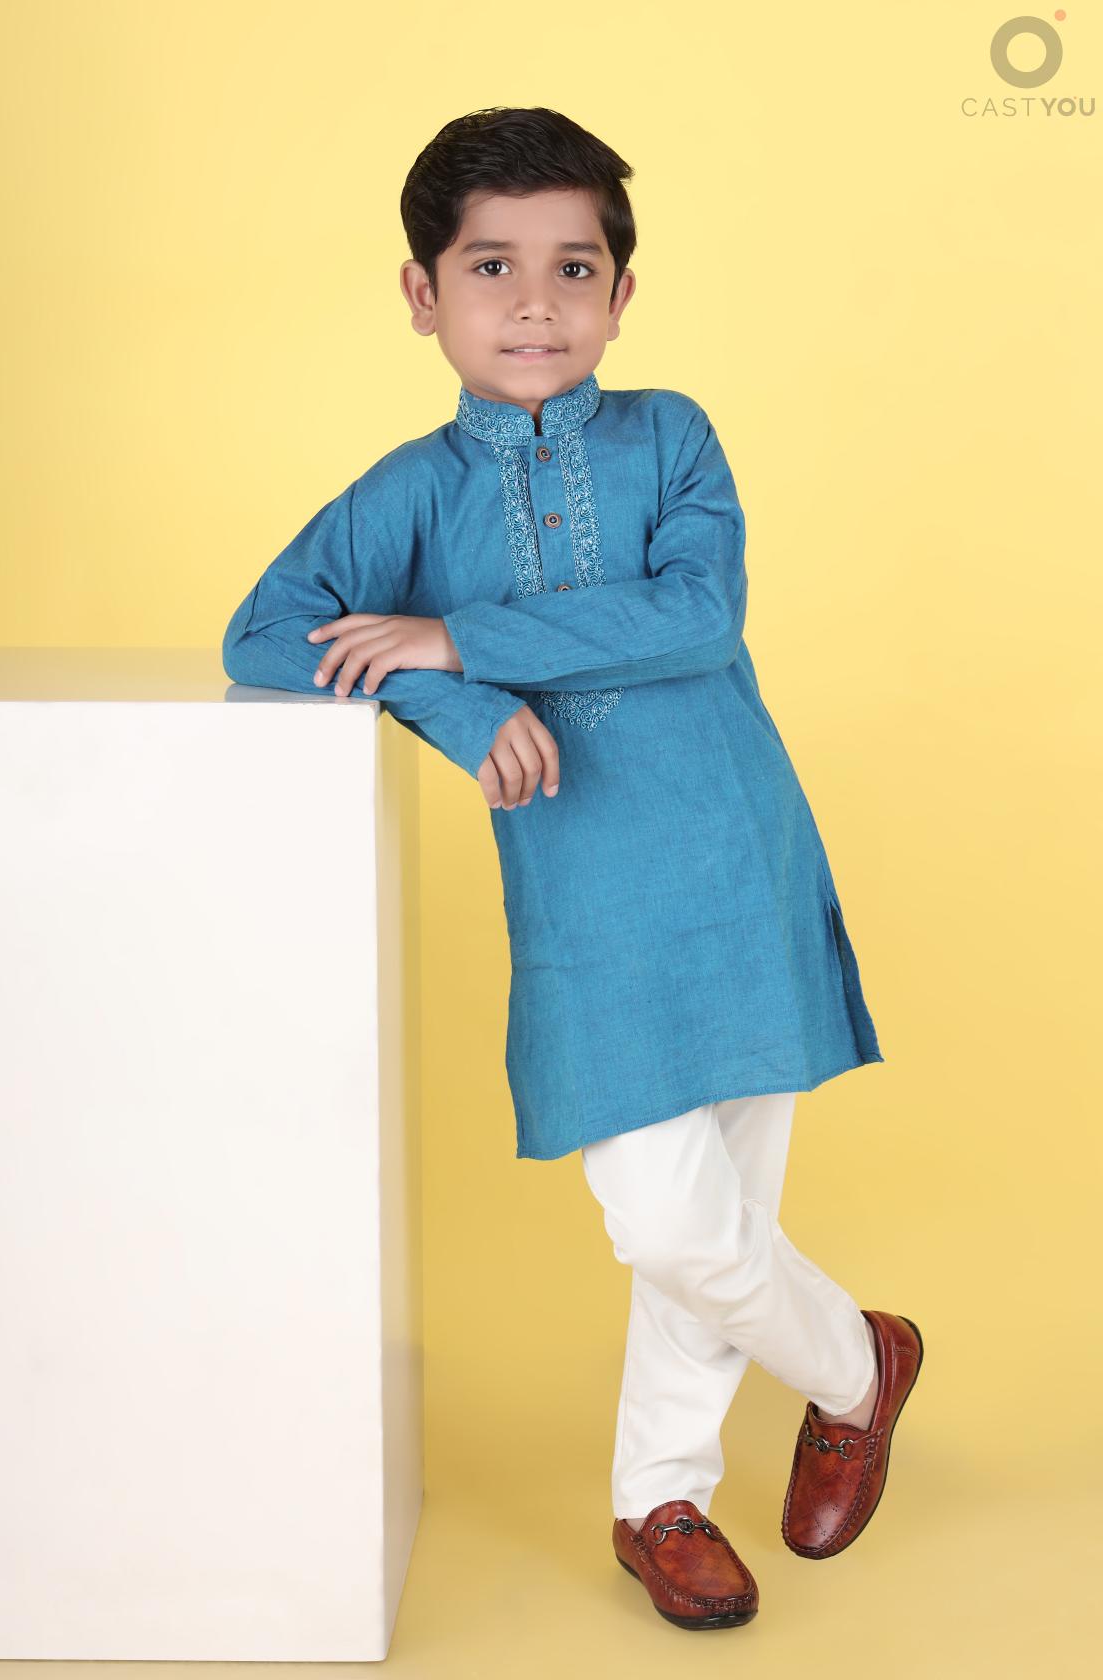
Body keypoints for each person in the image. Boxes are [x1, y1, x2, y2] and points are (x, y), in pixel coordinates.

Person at [222, 105, 924, 1631]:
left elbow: (698, 613)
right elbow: (266, 633)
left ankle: (658, 1497)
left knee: (725, 1200)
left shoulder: (672, 437)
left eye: (574, 267)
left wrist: (459, 633)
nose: (535, 303)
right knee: (668, 1218)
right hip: (587, 899)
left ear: (621, 292)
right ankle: (859, 1366)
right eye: (492, 267)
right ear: (423, 293)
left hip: (734, 854)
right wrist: (459, 704)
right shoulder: (409, 493)